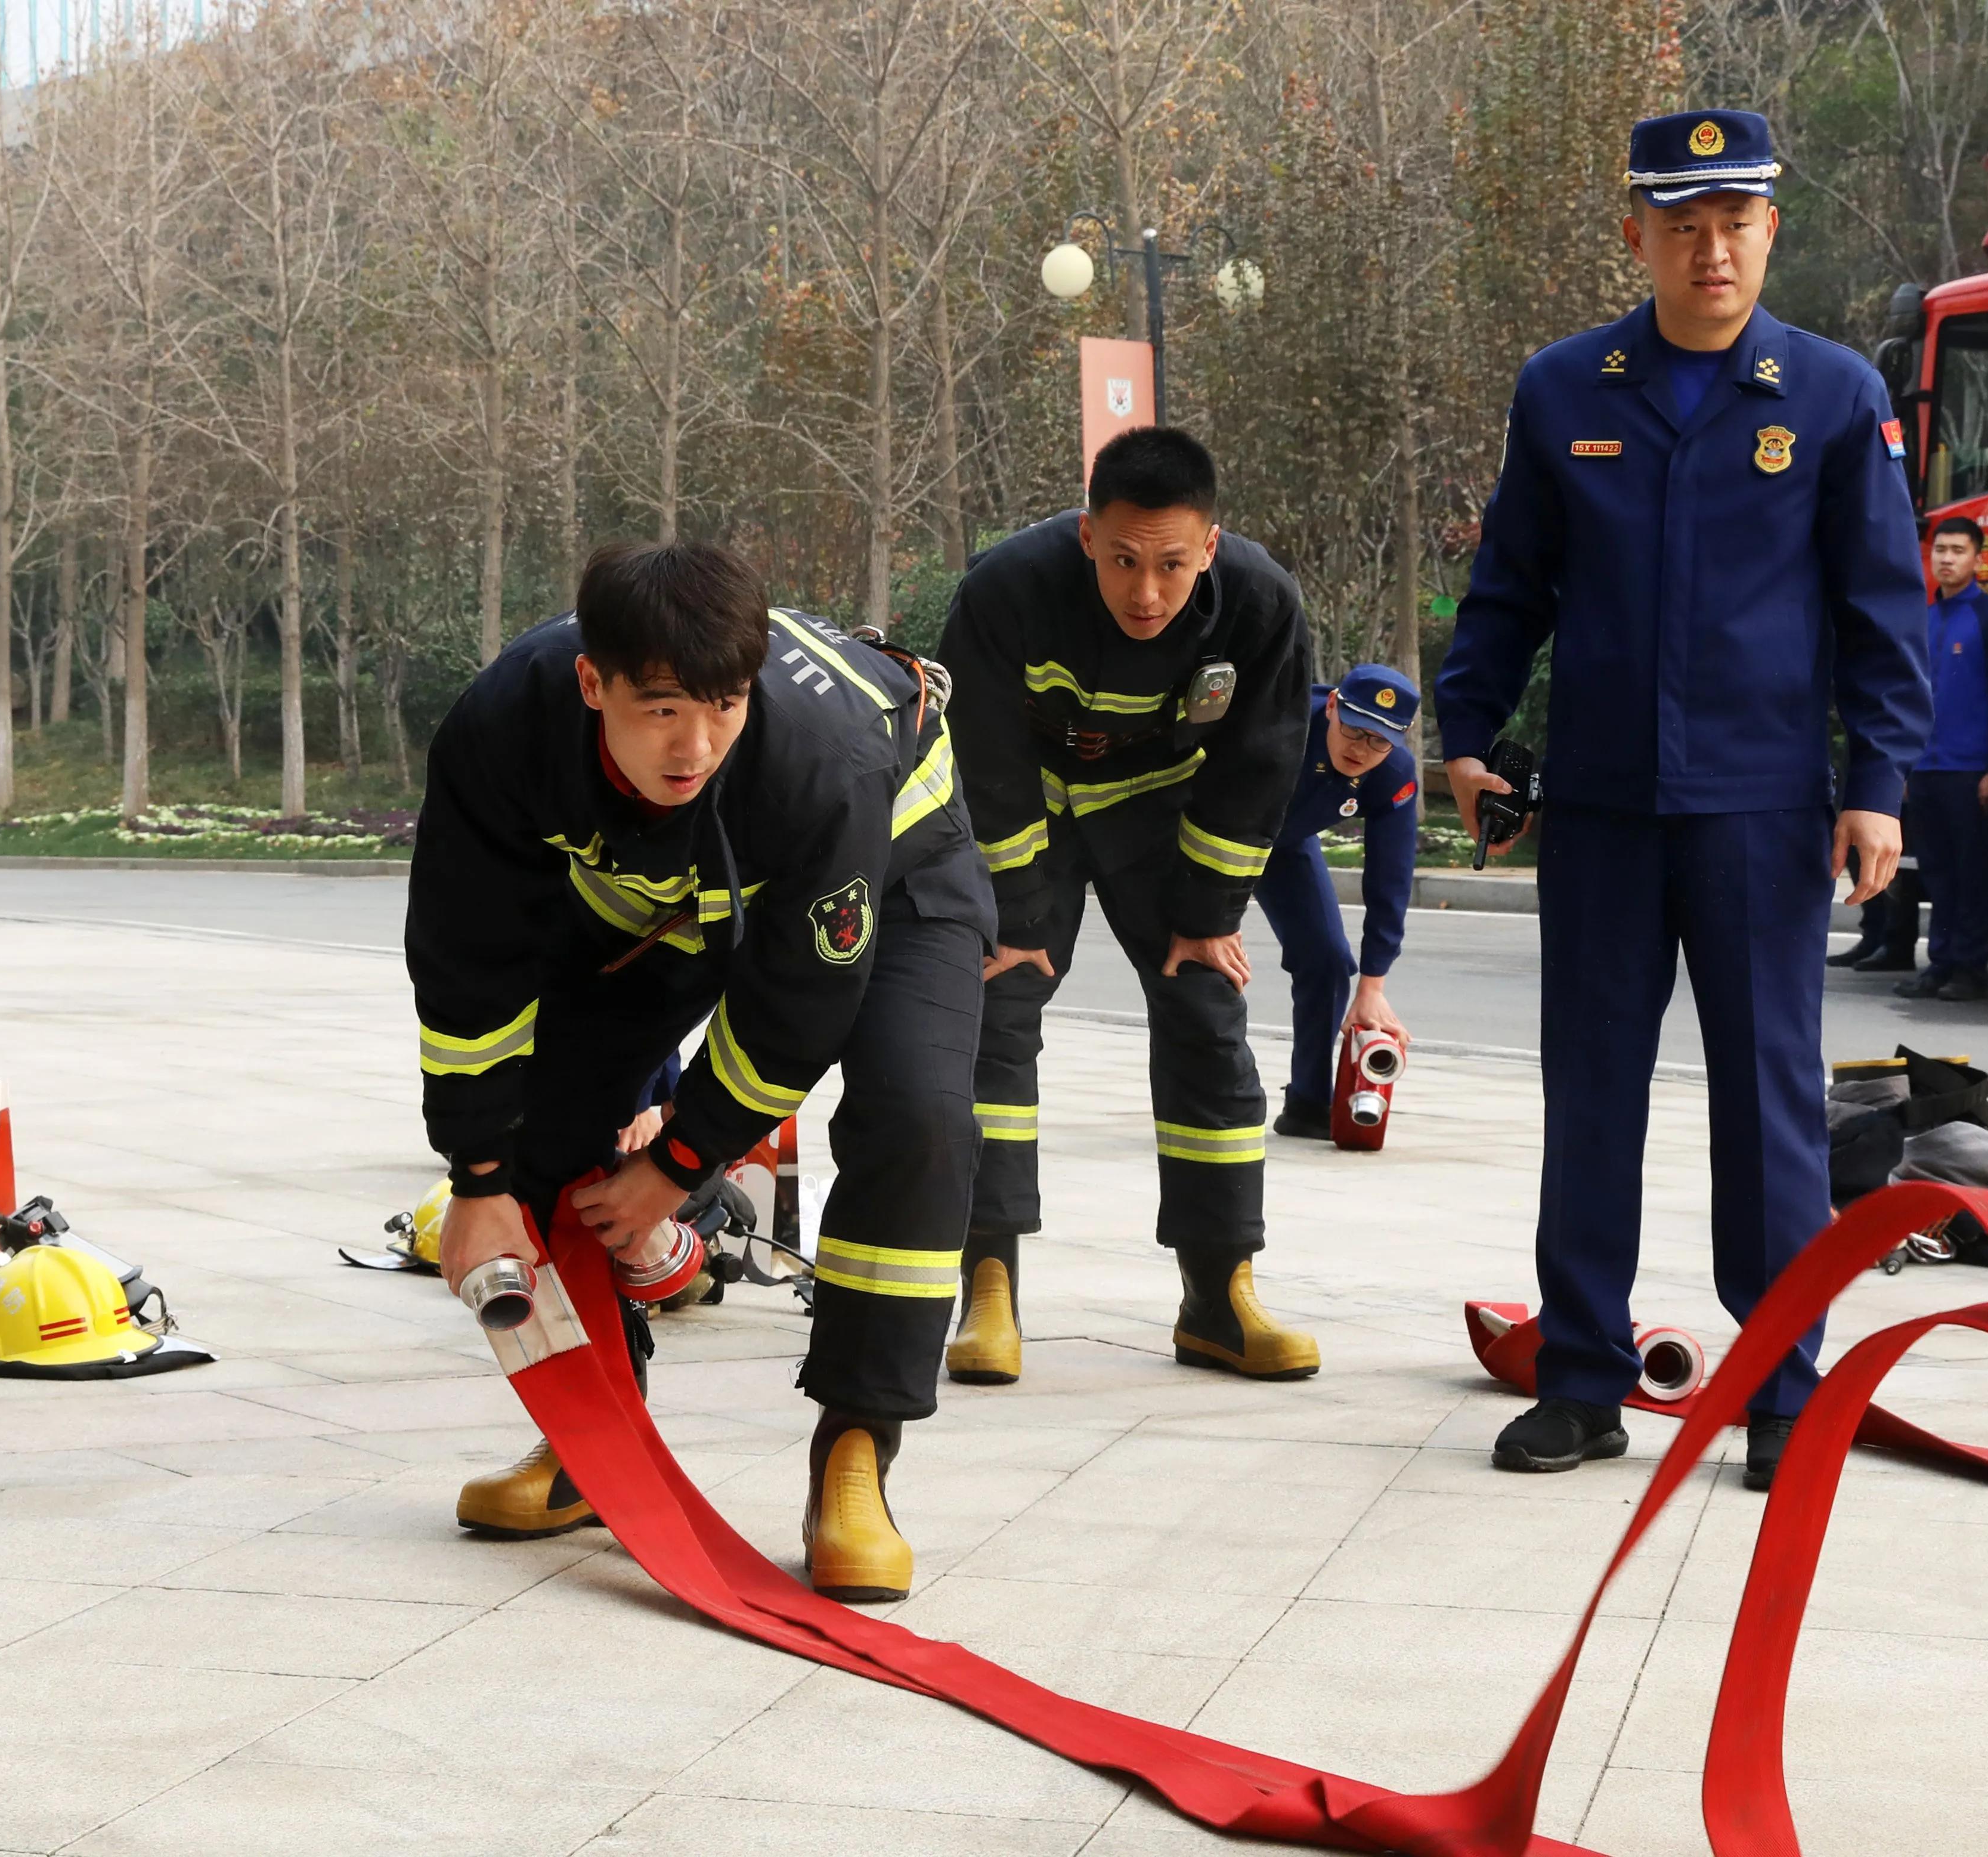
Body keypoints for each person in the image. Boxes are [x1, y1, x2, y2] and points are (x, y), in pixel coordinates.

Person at [1433, 108, 1930, 1490]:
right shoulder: (1565, 390)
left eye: (1735, 221)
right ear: (1637, 234)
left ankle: (1779, 1386)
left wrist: (1877, 784)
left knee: (1768, 1103)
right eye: (1681, 223)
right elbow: (1510, 582)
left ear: (1771, 227)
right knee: (1589, 1091)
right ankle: (1583, 1374)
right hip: (1597, 804)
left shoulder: (1830, 398)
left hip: (1761, 807)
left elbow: (1880, 608)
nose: (1710, 249)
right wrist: (1467, 728)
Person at [412, 540, 992, 1605]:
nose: (696, 743)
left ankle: (855, 1454)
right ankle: (593, 1436)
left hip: (892, 863)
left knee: (919, 1119)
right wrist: (480, 1176)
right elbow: (470, 966)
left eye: (723, 705)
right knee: (539, 1119)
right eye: (662, 708)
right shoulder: (501, 730)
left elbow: (797, 1006)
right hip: (656, 885)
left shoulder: (820, 758)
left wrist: (677, 1162)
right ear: (594, 682)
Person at [939, 426, 1320, 1388]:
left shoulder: (1264, 601)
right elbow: (979, 753)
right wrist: (1018, 917)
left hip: (1160, 808)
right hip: (1027, 805)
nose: (1145, 592)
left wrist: (1209, 911)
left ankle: (1218, 1292)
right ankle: (988, 1286)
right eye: (1121, 560)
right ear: (1084, 536)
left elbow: (1260, 762)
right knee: (995, 1009)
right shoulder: (1003, 589)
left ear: (1212, 544)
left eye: (1171, 564)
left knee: (1205, 1009)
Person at [1256, 663, 1420, 1140]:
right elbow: (1222, 808)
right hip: (1208, 833)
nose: (1360, 749)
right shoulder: (1281, 725)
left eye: (1379, 740)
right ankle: (1198, 1096)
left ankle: (1309, 1102)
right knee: (1198, 959)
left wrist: (1373, 986)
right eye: (1353, 730)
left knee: (1328, 961)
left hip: (1286, 844)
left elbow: (1391, 878)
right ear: (1331, 707)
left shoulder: (1393, 772)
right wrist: (1216, 919)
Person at [1895, 516, 1988, 1002]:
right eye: (1940, 550)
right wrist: (1905, 764)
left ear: (1979, 559)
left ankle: (1970, 968)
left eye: (1958, 550)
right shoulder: (1923, 618)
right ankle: (1939, 962)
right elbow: (1908, 696)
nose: (1947, 559)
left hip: (1971, 772)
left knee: (1973, 874)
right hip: (1926, 769)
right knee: (1937, 873)